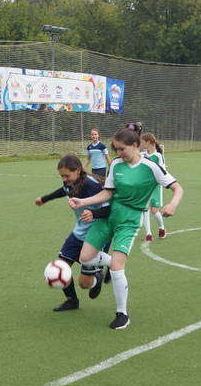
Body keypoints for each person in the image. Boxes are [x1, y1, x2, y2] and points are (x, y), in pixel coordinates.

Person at [70, 127, 184, 330]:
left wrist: (173, 204)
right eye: (116, 149)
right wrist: (83, 202)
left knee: (116, 268)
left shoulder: (151, 166)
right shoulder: (115, 164)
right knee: (85, 258)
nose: (118, 153)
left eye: (122, 149)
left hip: (130, 219)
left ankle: (122, 313)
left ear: (135, 145)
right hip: (110, 215)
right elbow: (107, 193)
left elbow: (177, 187)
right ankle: (109, 264)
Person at [35, 154, 111, 312]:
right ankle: (72, 301)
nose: (64, 179)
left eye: (66, 175)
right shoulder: (71, 183)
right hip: (79, 232)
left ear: (77, 170)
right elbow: (63, 191)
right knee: (61, 265)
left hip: (98, 233)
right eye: (61, 176)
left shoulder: (93, 185)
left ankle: (98, 276)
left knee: (84, 284)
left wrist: (94, 214)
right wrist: (45, 199)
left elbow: (111, 209)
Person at [140, 132, 167, 241]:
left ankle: (162, 228)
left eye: (142, 142)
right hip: (145, 187)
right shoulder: (143, 156)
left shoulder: (158, 156)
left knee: (154, 210)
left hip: (155, 186)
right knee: (145, 210)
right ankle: (148, 234)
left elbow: (163, 171)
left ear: (149, 142)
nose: (141, 144)